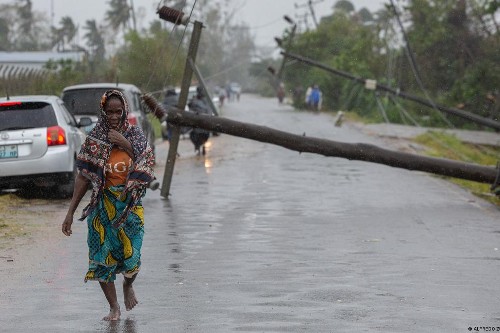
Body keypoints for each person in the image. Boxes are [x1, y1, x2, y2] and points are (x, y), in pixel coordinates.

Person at [61, 90, 155, 321]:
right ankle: (114, 307)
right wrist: (70, 212)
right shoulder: (95, 138)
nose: (114, 116)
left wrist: (125, 146)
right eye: (109, 112)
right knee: (102, 258)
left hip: (129, 207)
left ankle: (128, 285)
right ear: (103, 112)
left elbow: (148, 162)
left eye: (118, 112)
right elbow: (83, 177)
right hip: (102, 206)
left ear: (124, 111)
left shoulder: (134, 135)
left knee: (132, 258)